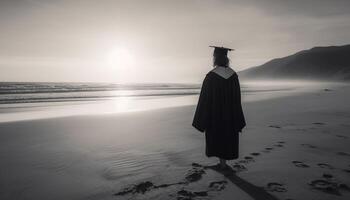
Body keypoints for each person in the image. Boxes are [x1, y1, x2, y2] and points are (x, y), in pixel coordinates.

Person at [192, 46, 246, 169]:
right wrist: (237, 116)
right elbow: (237, 98)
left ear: (215, 58)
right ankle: (223, 163)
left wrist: (201, 119)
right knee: (227, 137)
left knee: (218, 137)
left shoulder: (211, 77)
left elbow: (204, 99)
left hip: (215, 115)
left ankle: (222, 164)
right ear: (227, 58)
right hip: (230, 114)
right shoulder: (233, 76)